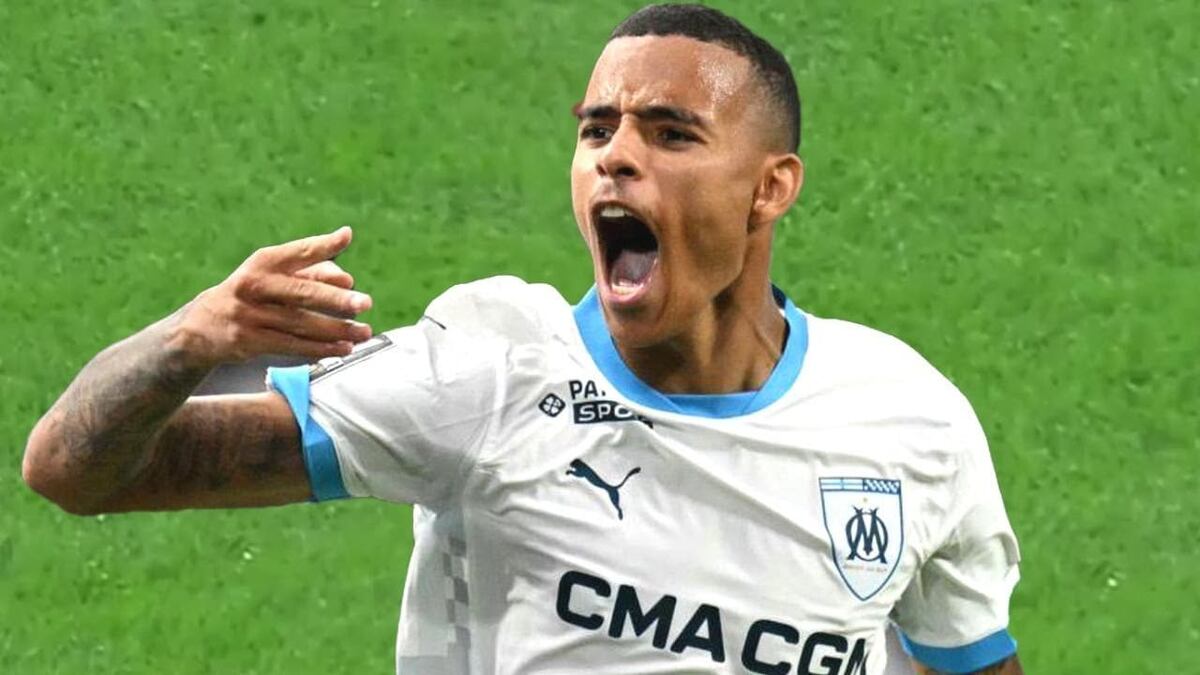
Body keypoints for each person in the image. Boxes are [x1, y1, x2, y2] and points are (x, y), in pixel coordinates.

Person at [22, 4, 1023, 674]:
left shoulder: (909, 423)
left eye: (670, 132)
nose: (616, 156)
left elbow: (971, 657)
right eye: (596, 130)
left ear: (771, 187)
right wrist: (192, 340)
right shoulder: (486, 377)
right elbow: (74, 470)